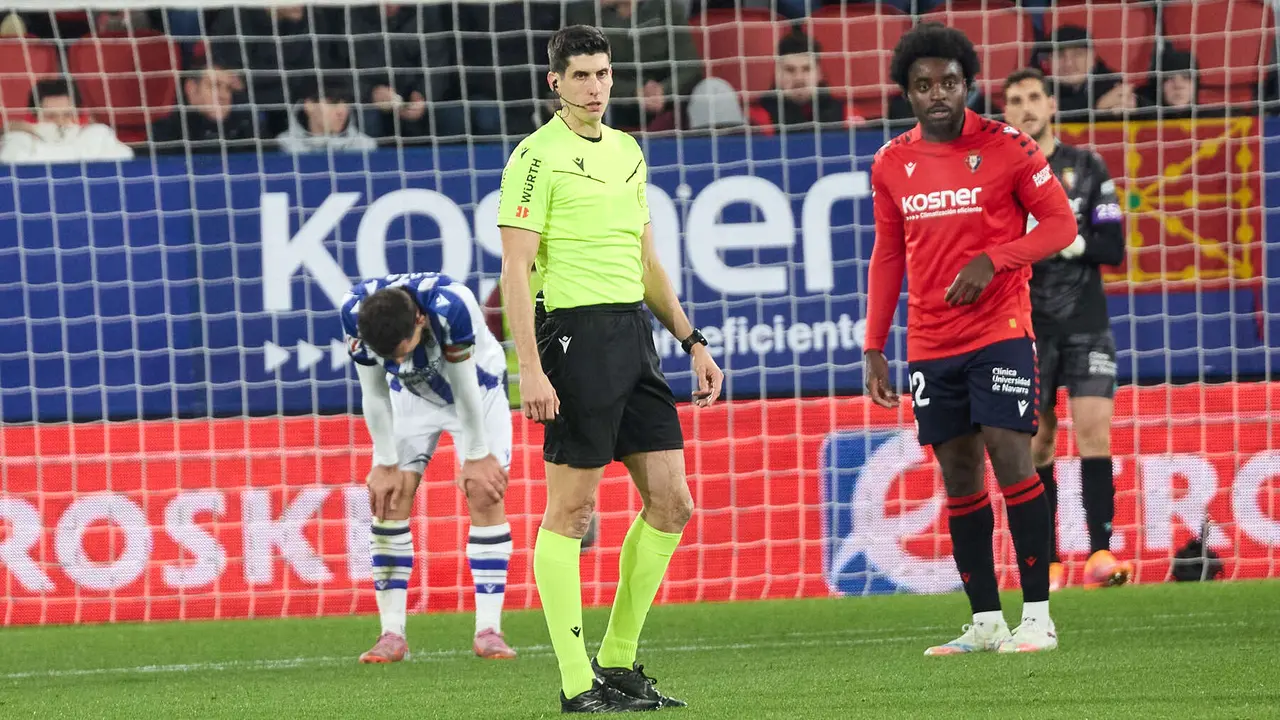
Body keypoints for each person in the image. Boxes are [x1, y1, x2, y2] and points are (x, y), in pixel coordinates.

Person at [497, 24, 723, 713]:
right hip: (573, 339)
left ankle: (619, 663)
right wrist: (529, 368)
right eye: (582, 76)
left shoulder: (628, 152)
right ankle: (574, 684)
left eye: (603, 74)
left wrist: (692, 339)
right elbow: (513, 269)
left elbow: (649, 261)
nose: (595, 87)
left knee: (673, 503)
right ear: (555, 84)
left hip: (634, 336)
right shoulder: (535, 158)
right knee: (571, 511)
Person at [863, 23, 1076, 656]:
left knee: (1013, 457)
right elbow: (886, 256)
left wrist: (998, 258)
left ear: (967, 85)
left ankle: (1037, 617)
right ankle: (986, 620)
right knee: (958, 477)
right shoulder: (890, 163)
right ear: (907, 93)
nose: (938, 95)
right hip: (930, 342)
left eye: (949, 83)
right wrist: (875, 343)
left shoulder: (1008, 146)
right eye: (924, 85)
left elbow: (1061, 224)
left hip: (1000, 330)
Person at [340, 272, 518, 663]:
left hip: (477, 390)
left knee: (484, 492)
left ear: (420, 320)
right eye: (391, 357)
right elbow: (373, 391)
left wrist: (475, 455)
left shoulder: (451, 305)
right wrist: (385, 462)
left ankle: (489, 630)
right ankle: (391, 634)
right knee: (388, 499)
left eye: (403, 350)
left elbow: (465, 383)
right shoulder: (355, 314)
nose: (399, 360)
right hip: (412, 397)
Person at [1002, 68, 1131, 592]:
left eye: (1034, 97)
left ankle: (1100, 553)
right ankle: (1049, 560)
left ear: (1052, 104)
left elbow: (1115, 247)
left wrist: (1072, 242)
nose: (1026, 107)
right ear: (1004, 111)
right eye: (1015, 100)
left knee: (1094, 430)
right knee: (1039, 443)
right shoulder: (1000, 176)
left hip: (1086, 322)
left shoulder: (1088, 165)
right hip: (1027, 323)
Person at [0, 78, 133, 164]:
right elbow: (11, 160)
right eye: (51, 116)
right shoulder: (19, 138)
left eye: (67, 115)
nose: (60, 122)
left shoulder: (97, 134)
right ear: (34, 117)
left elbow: (126, 155)